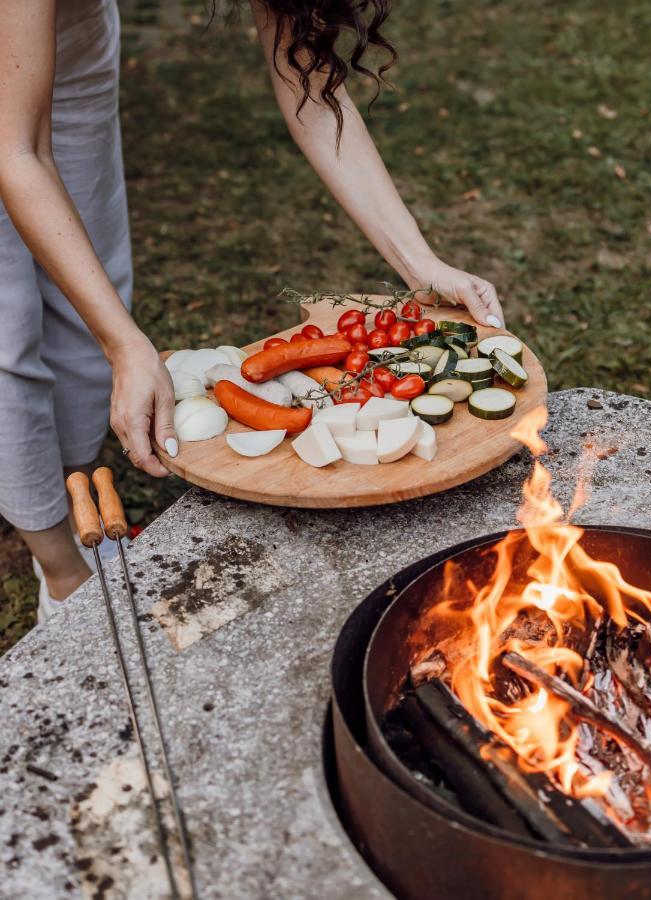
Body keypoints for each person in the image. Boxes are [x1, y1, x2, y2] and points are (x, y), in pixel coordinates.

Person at [0, 0, 504, 620]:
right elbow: (17, 153)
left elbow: (310, 86)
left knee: (92, 283)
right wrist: (124, 345)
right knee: (8, 331)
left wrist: (419, 262)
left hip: (71, 28)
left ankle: (75, 484)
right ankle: (60, 567)